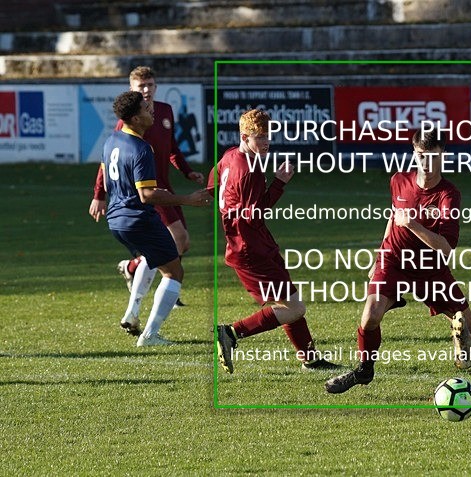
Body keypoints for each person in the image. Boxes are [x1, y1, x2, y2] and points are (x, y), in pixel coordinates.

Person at [325, 128, 471, 394]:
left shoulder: (448, 195)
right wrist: (378, 256)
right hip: (393, 259)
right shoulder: (398, 180)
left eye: (432, 156)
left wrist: (414, 224)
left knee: (467, 324)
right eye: (420, 155)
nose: (426, 163)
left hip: (430, 267)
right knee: (370, 316)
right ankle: (364, 370)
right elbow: (392, 220)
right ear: (413, 154)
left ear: (443, 155)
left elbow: (446, 248)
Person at [211, 109, 338, 373]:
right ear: (245, 136)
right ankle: (232, 332)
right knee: (295, 308)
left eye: (269, 136)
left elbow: (215, 186)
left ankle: (310, 359)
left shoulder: (230, 156)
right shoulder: (249, 170)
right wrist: (279, 183)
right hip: (251, 249)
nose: (266, 142)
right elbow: (256, 213)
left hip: (253, 243)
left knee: (287, 300)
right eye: (260, 137)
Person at [89, 66, 204, 307]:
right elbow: (107, 160)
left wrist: (187, 171)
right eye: (141, 86)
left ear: (156, 86)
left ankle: (136, 269)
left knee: (182, 243)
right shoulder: (129, 121)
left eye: (150, 85)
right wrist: (99, 194)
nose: (146, 90)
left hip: (164, 187)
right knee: (179, 237)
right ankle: (169, 288)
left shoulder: (164, 111)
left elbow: (172, 147)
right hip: (146, 192)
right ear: (131, 89)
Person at [102, 91, 209, 346]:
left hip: (116, 219)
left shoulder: (111, 140)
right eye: (145, 107)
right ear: (135, 118)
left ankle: (132, 311)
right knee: (174, 272)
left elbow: (109, 180)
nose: (151, 109)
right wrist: (187, 199)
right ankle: (149, 336)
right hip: (138, 219)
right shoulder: (141, 148)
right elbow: (147, 194)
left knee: (154, 260)